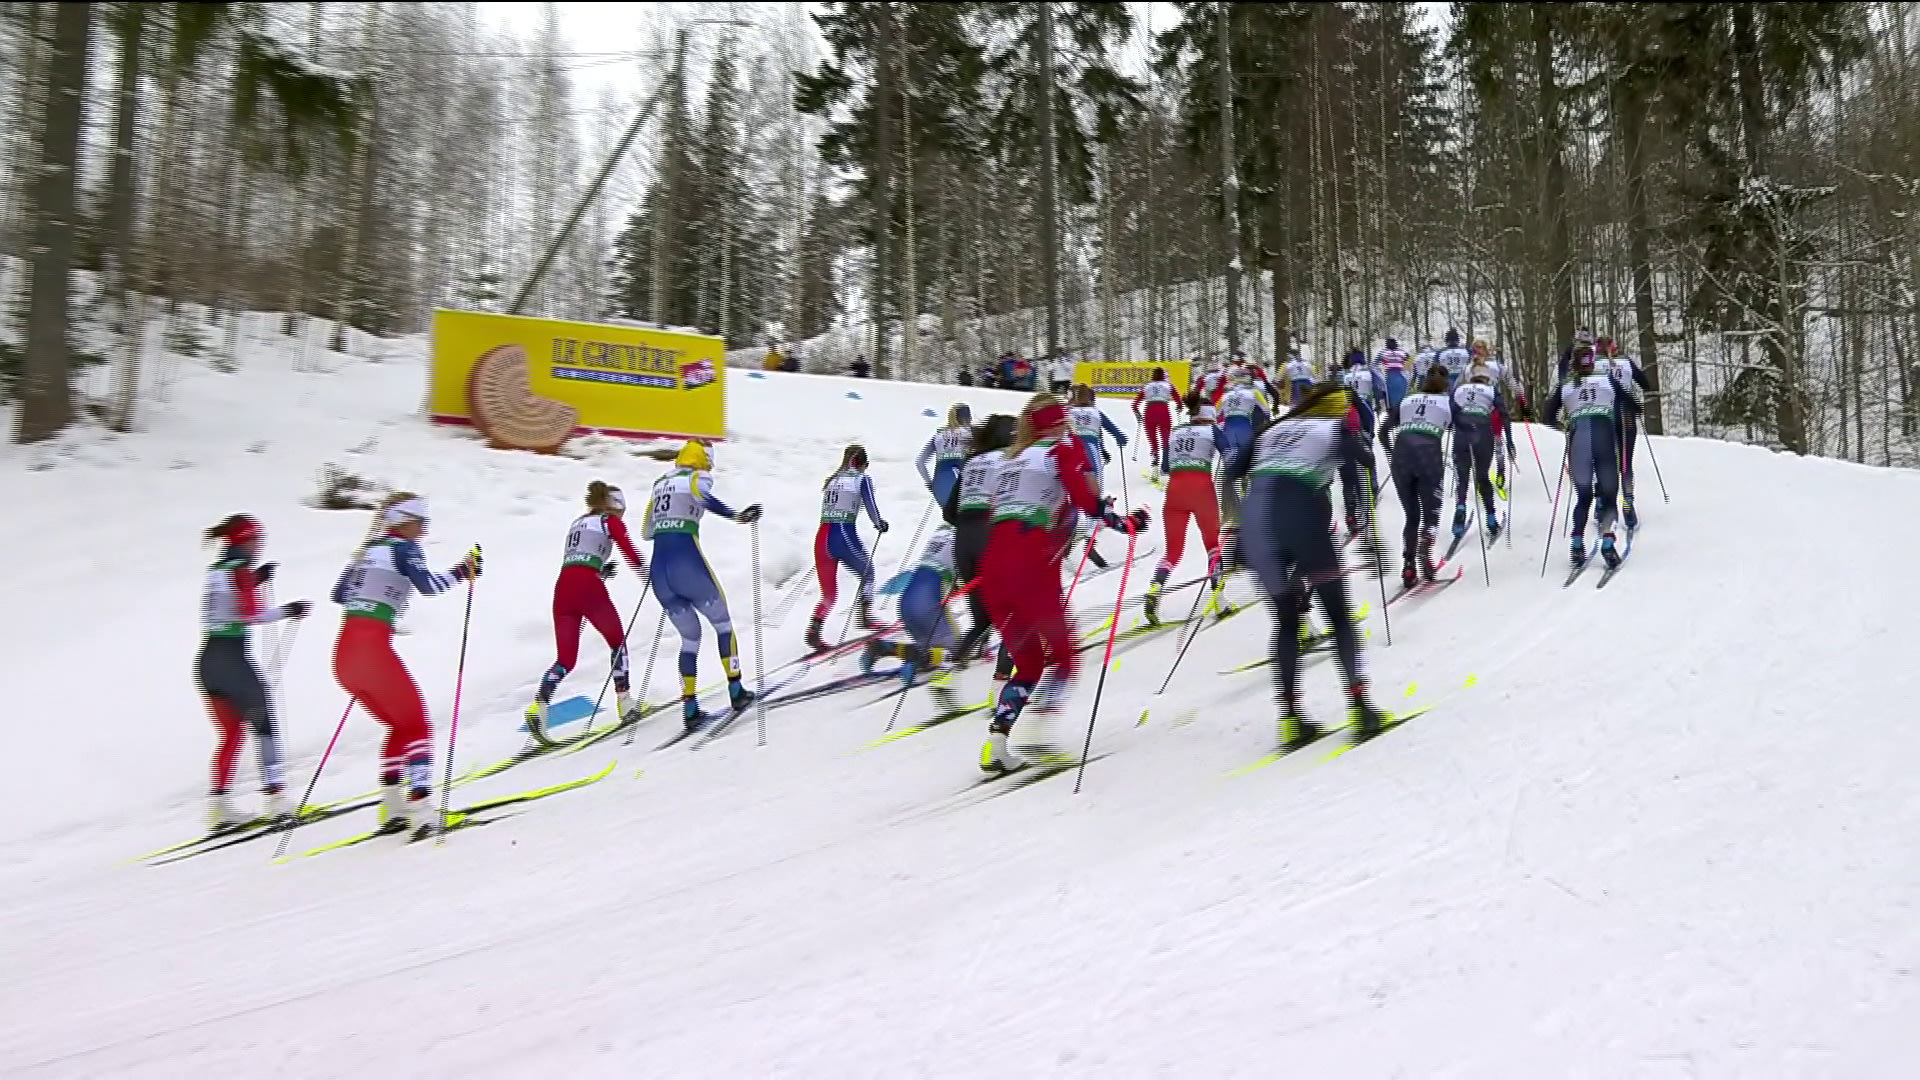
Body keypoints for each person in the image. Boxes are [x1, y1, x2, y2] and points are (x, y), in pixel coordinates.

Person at [976, 394, 1148, 773]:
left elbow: (999, 513)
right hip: (1028, 565)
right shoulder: (1059, 449)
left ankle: (997, 744)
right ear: (1060, 422)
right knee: (1066, 655)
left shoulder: (1010, 460)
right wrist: (1125, 523)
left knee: (1030, 663)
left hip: (994, 571)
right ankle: (1038, 733)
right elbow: (1086, 501)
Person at [1224, 381, 1390, 749]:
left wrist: (1233, 526)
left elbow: (1231, 472)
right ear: (1337, 408)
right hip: (1301, 515)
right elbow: (1365, 463)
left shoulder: (1273, 429)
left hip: (1256, 524)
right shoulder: (1334, 427)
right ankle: (1360, 707)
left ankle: (1290, 719)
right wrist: (1368, 532)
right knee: (1339, 617)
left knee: (1285, 623)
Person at [330, 493, 482, 839]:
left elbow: (339, 595)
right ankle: (422, 811)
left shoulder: (369, 549)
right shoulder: (404, 547)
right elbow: (428, 586)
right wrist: (463, 571)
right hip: (372, 651)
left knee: (400, 725)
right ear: (406, 521)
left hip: (345, 656)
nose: (425, 529)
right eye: (422, 522)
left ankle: (393, 808)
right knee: (418, 725)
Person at [199, 514, 310, 832]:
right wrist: (289, 610)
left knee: (231, 735)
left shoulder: (218, 570)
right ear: (245, 542)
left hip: (208, 662)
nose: (258, 547)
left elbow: (229, 601)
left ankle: (218, 807)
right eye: (255, 541)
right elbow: (250, 614)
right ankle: (277, 800)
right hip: (233, 660)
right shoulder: (240, 571)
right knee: (265, 725)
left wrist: (257, 578)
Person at [643, 441, 762, 730]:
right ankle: (736, 690)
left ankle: (690, 706)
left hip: (659, 572)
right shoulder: (698, 477)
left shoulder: (660, 483)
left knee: (690, 639)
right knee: (723, 624)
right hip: (688, 563)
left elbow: (646, 530)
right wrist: (736, 516)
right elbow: (701, 496)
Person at [524, 481, 648, 742]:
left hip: (563, 588)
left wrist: (600, 570)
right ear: (617, 508)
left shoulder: (578, 522)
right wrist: (646, 574)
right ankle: (625, 703)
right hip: (588, 586)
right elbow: (628, 550)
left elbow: (579, 556)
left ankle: (539, 706)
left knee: (566, 659)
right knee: (617, 641)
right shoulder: (609, 521)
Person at [944, 413, 1019, 663]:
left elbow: (949, 512)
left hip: (964, 542)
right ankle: (1012, 668)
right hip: (991, 537)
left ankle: (959, 659)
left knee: (982, 618)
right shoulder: (1011, 458)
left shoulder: (972, 461)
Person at [1144, 393, 1224, 625]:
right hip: (1201, 489)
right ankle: (1219, 598)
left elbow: (1166, 467)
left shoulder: (1176, 431)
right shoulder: (1212, 431)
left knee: (1173, 552)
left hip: (1175, 491)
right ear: (1209, 416)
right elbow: (1231, 455)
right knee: (1212, 544)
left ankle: (1155, 589)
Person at [1543, 347, 1625, 569]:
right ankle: (1608, 542)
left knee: (1584, 497)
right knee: (1609, 495)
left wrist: (1565, 426)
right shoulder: (1607, 380)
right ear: (1593, 363)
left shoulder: (1565, 385)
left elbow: (1547, 417)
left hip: (1579, 442)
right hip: (1605, 440)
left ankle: (1577, 543)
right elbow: (1623, 412)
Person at [805, 443, 890, 650]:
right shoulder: (862, 479)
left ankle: (814, 631)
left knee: (829, 594)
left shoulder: (832, 480)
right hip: (843, 535)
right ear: (864, 464)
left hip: (822, 536)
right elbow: (870, 505)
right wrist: (880, 524)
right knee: (868, 573)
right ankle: (865, 617)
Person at [1381, 367, 1455, 588]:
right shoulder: (1448, 402)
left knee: (1411, 515)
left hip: (1401, 457)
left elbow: (1383, 430)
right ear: (1445, 386)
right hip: (1428, 457)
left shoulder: (1407, 399)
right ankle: (1427, 541)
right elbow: (1464, 428)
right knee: (1431, 511)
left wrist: (1390, 453)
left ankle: (1409, 565)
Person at [863, 523, 960, 685]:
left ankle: (885, 648)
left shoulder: (942, 532)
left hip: (906, 603)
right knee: (960, 651)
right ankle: (916, 660)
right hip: (928, 603)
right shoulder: (967, 537)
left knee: (930, 647)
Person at [1596, 337, 1653, 530]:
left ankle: (1603, 503)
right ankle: (1628, 505)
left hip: (1604, 418)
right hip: (1626, 416)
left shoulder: (1594, 365)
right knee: (1626, 463)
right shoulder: (1626, 362)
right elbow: (1645, 384)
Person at [1450, 364, 1506, 542]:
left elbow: (1451, 411)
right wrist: (1509, 440)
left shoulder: (1459, 390)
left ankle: (1460, 508)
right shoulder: (1491, 390)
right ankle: (1490, 519)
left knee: (1462, 476)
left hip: (1462, 435)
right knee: (1482, 477)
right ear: (1487, 377)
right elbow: (1503, 413)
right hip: (1483, 433)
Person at [916, 403, 974, 508]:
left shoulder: (939, 434)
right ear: (968, 418)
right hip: (961, 485)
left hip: (939, 485)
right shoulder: (971, 433)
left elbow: (920, 462)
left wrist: (930, 484)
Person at [1133, 366, 1178, 475]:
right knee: (1166, 439)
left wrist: (1137, 413)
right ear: (1163, 376)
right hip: (1163, 412)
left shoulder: (1147, 386)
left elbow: (1135, 404)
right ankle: (1165, 467)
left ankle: (1154, 462)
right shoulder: (1168, 385)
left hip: (1149, 412)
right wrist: (1179, 407)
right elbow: (1178, 400)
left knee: (1153, 440)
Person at [1216, 371, 1268, 463]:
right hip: (1244, 424)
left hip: (1228, 425)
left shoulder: (1225, 394)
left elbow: (1215, 412)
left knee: (1231, 455)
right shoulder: (1254, 392)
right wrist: (1267, 420)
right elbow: (1265, 408)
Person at [1376, 336, 1411, 414]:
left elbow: (1374, 365)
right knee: (1401, 401)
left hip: (1390, 378)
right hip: (1402, 378)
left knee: (1391, 402)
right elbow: (1411, 360)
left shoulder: (1383, 352)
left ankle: (1390, 415)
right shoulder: (1402, 351)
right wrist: (1405, 368)